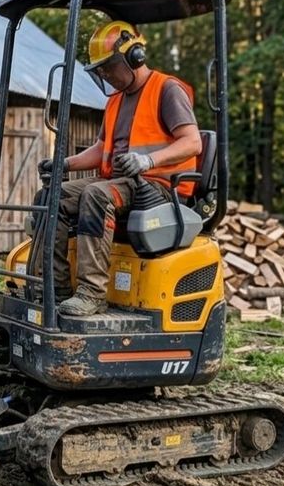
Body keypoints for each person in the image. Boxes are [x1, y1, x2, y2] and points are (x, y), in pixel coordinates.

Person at [38, 20, 202, 317]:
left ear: (134, 56)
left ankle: (92, 293)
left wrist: (148, 161)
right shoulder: (115, 100)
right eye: (100, 70)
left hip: (160, 188)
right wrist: (65, 164)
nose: (105, 75)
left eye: (108, 67)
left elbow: (192, 142)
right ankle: (56, 287)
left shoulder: (166, 90)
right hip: (123, 183)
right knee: (52, 195)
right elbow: (103, 149)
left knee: (97, 195)